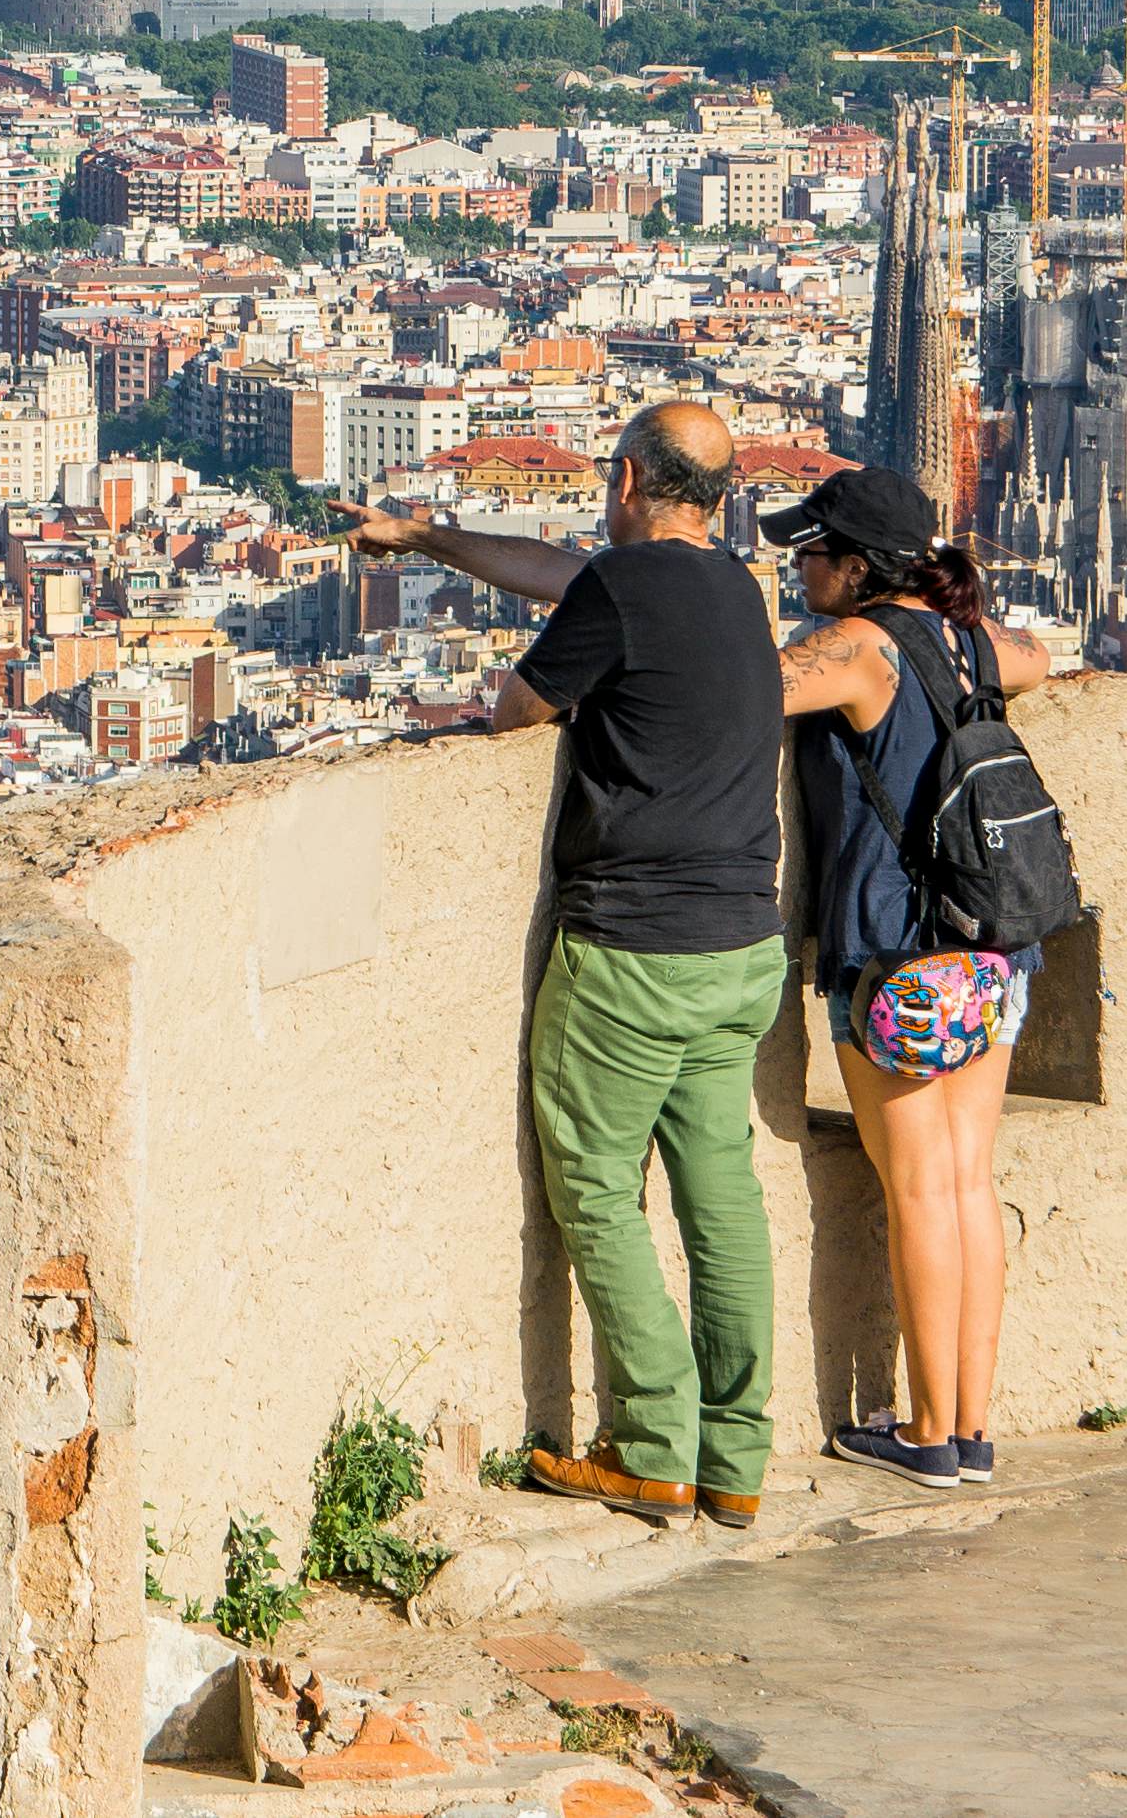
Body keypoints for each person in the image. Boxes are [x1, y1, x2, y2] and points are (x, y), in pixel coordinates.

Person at [355, 400, 784, 1528]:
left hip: (633, 950)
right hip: (742, 944)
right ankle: (735, 1459)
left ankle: (650, 1446)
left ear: (630, 483)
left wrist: (523, 672)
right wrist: (428, 538)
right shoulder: (732, 587)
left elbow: (514, 706)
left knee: (595, 1188)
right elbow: (570, 576)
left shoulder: (623, 593)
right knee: (721, 1200)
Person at [765, 465, 1061, 1488]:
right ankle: (968, 1426)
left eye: (807, 551)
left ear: (853, 568)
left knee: (920, 1194)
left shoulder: (851, 650)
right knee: (967, 1186)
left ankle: (929, 1433)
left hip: (895, 960)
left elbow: (740, 691)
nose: (795, 565)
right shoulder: (965, 639)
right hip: (989, 954)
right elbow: (1039, 655)